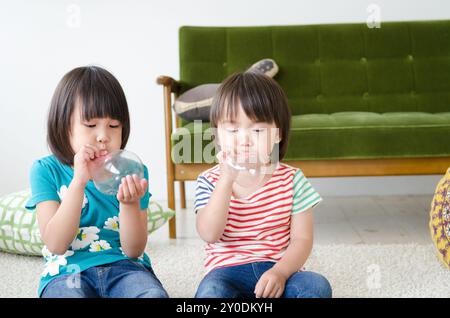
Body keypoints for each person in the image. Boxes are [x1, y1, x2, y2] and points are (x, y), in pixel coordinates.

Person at [26, 66, 169, 298]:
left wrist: (130, 204)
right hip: (66, 272)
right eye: (91, 125)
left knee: (154, 295)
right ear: (64, 126)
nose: (103, 136)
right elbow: (55, 244)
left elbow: (134, 250)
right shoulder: (45, 170)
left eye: (114, 126)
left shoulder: (134, 171)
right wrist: (79, 181)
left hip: (127, 268)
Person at [194, 71, 332, 298]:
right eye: (233, 129)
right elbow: (209, 233)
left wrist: (280, 272)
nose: (244, 139)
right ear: (218, 134)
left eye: (257, 130)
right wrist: (226, 180)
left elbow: (302, 240)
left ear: (277, 134)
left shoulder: (293, 180)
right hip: (226, 274)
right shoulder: (209, 180)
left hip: (279, 270)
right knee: (211, 292)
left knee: (317, 286)